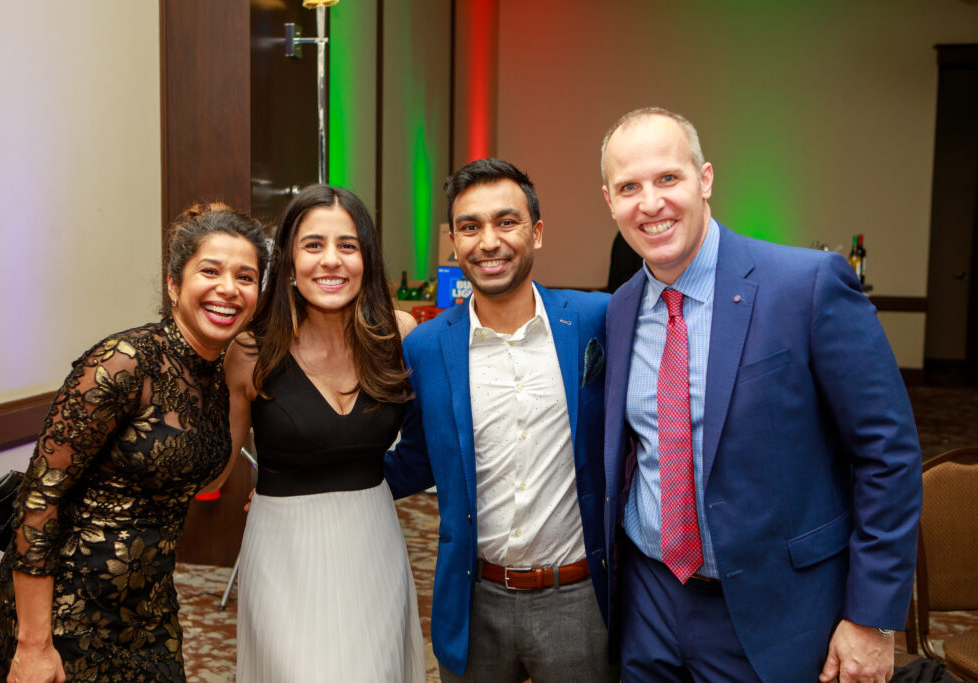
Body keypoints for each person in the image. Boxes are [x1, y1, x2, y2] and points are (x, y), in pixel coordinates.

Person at [599, 107, 923, 682]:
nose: (650, 203)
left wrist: (870, 617)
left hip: (774, 609)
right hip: (648, 599)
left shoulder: (808, 285)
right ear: (610, 200)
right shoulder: (622, 309)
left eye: (668, 178)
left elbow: (887, 454)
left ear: (705, 180)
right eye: (629, 187)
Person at [0, 203, 268, 682]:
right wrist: (34, 643)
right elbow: (39, 497)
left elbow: (207, 479)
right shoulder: (125, 362)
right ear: (174, 285)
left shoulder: (218, 377)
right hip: (63, 614)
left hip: (149, 614)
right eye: (210, 271)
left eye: (246, 277)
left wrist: (240, 387)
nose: (228, 288)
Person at [384, 158, 616, 682]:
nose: (488, 241)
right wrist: (315, 479)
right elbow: (418, 459)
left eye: (505, 222)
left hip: (577, 601)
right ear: (453, 240)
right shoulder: (426, 347)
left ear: (536, 232)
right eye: (470, 227)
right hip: (473, 599)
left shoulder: (594, 320)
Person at [224, 184, 424, 682]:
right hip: (282, 550)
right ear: (289, 259)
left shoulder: (398, 335)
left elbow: (432, 444)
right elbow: (212, 466)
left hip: (373, 543)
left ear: (367, 259)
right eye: (313, 245)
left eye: (348, 246)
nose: (331, 261)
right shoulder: (251, 351)